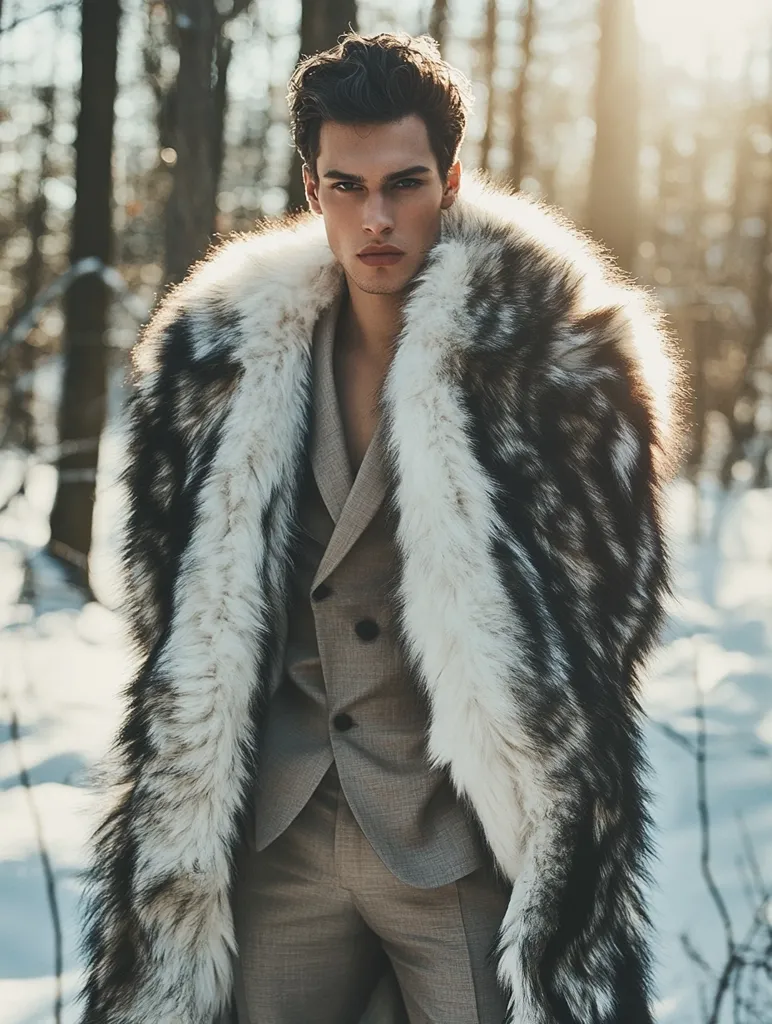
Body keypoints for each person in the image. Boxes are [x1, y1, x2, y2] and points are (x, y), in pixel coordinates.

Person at [78, 29, 685, 1024]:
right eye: (347, 187)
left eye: (404, 184)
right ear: (310, 189)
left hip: (462, 847)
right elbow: (167, 606)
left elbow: (607, 620)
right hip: (275, 850)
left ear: (451, 181)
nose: (376, 218)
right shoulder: (213, 365)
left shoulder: (556, 365)